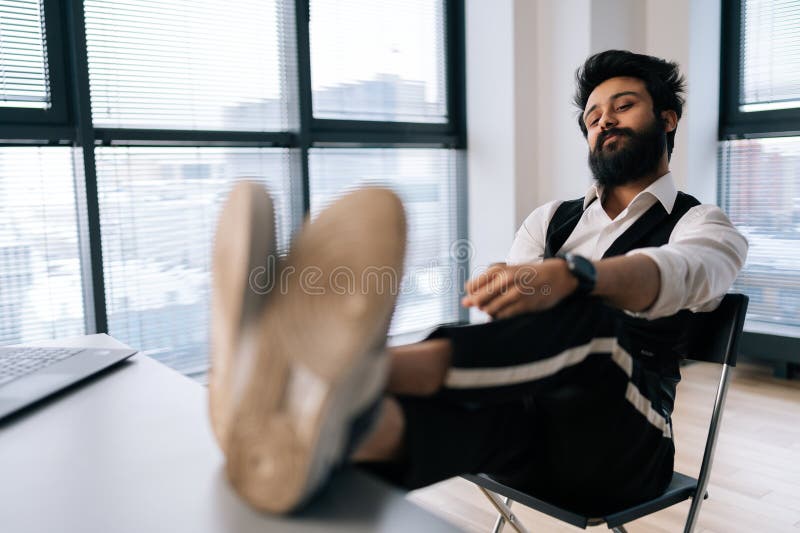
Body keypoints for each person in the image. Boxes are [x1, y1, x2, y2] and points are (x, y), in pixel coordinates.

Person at [207, 50, 748, 516]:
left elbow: (687, 274)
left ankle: (337, 372)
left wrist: (576, 275)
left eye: (622, 106)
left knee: (594, 321)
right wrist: (508, 289)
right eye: (592, 117)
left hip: (628, 447)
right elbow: (515, 334)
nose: (603, 121)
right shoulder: (551, 219)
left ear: (669, 119)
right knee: (484, 425)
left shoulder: (703, 224)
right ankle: (299, 443)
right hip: (538, 436)